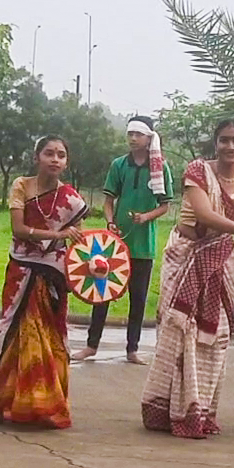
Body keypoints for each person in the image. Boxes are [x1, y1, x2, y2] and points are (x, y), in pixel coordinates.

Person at [138, 119, 234, 439]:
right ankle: (168, 409)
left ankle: (198, 410)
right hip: (186, 256)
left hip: (221, 263)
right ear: (216, 143)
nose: (231, 146)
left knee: (214, 336)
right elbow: (203, 214)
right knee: (179, 330)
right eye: (225, 140)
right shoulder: (198, 171)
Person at [0, 135, 87, 428]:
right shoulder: (21, 186)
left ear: (66, 162)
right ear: (36, 156)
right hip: (22, 273)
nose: (55, 159)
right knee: (12, 335)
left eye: (61, 155)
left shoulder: (72, 199)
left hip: (53, 277)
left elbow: (80, 243)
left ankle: (47, 407)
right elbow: (19, 229)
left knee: (49, 340)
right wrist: (57, 236)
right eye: (49, 153)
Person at [77, 115, 174, 365]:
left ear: (148, 137)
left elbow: (165, 205)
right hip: (116, 241)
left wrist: (146, 217)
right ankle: (91, 345)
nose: (132, 138)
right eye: (130, 133)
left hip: (144, 244)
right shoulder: (119, 165)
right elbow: (108, 200)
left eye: (138, 134)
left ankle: (133, 349)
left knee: (138, 298)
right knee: (103, 292)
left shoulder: (161, 168)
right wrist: (110, 222)